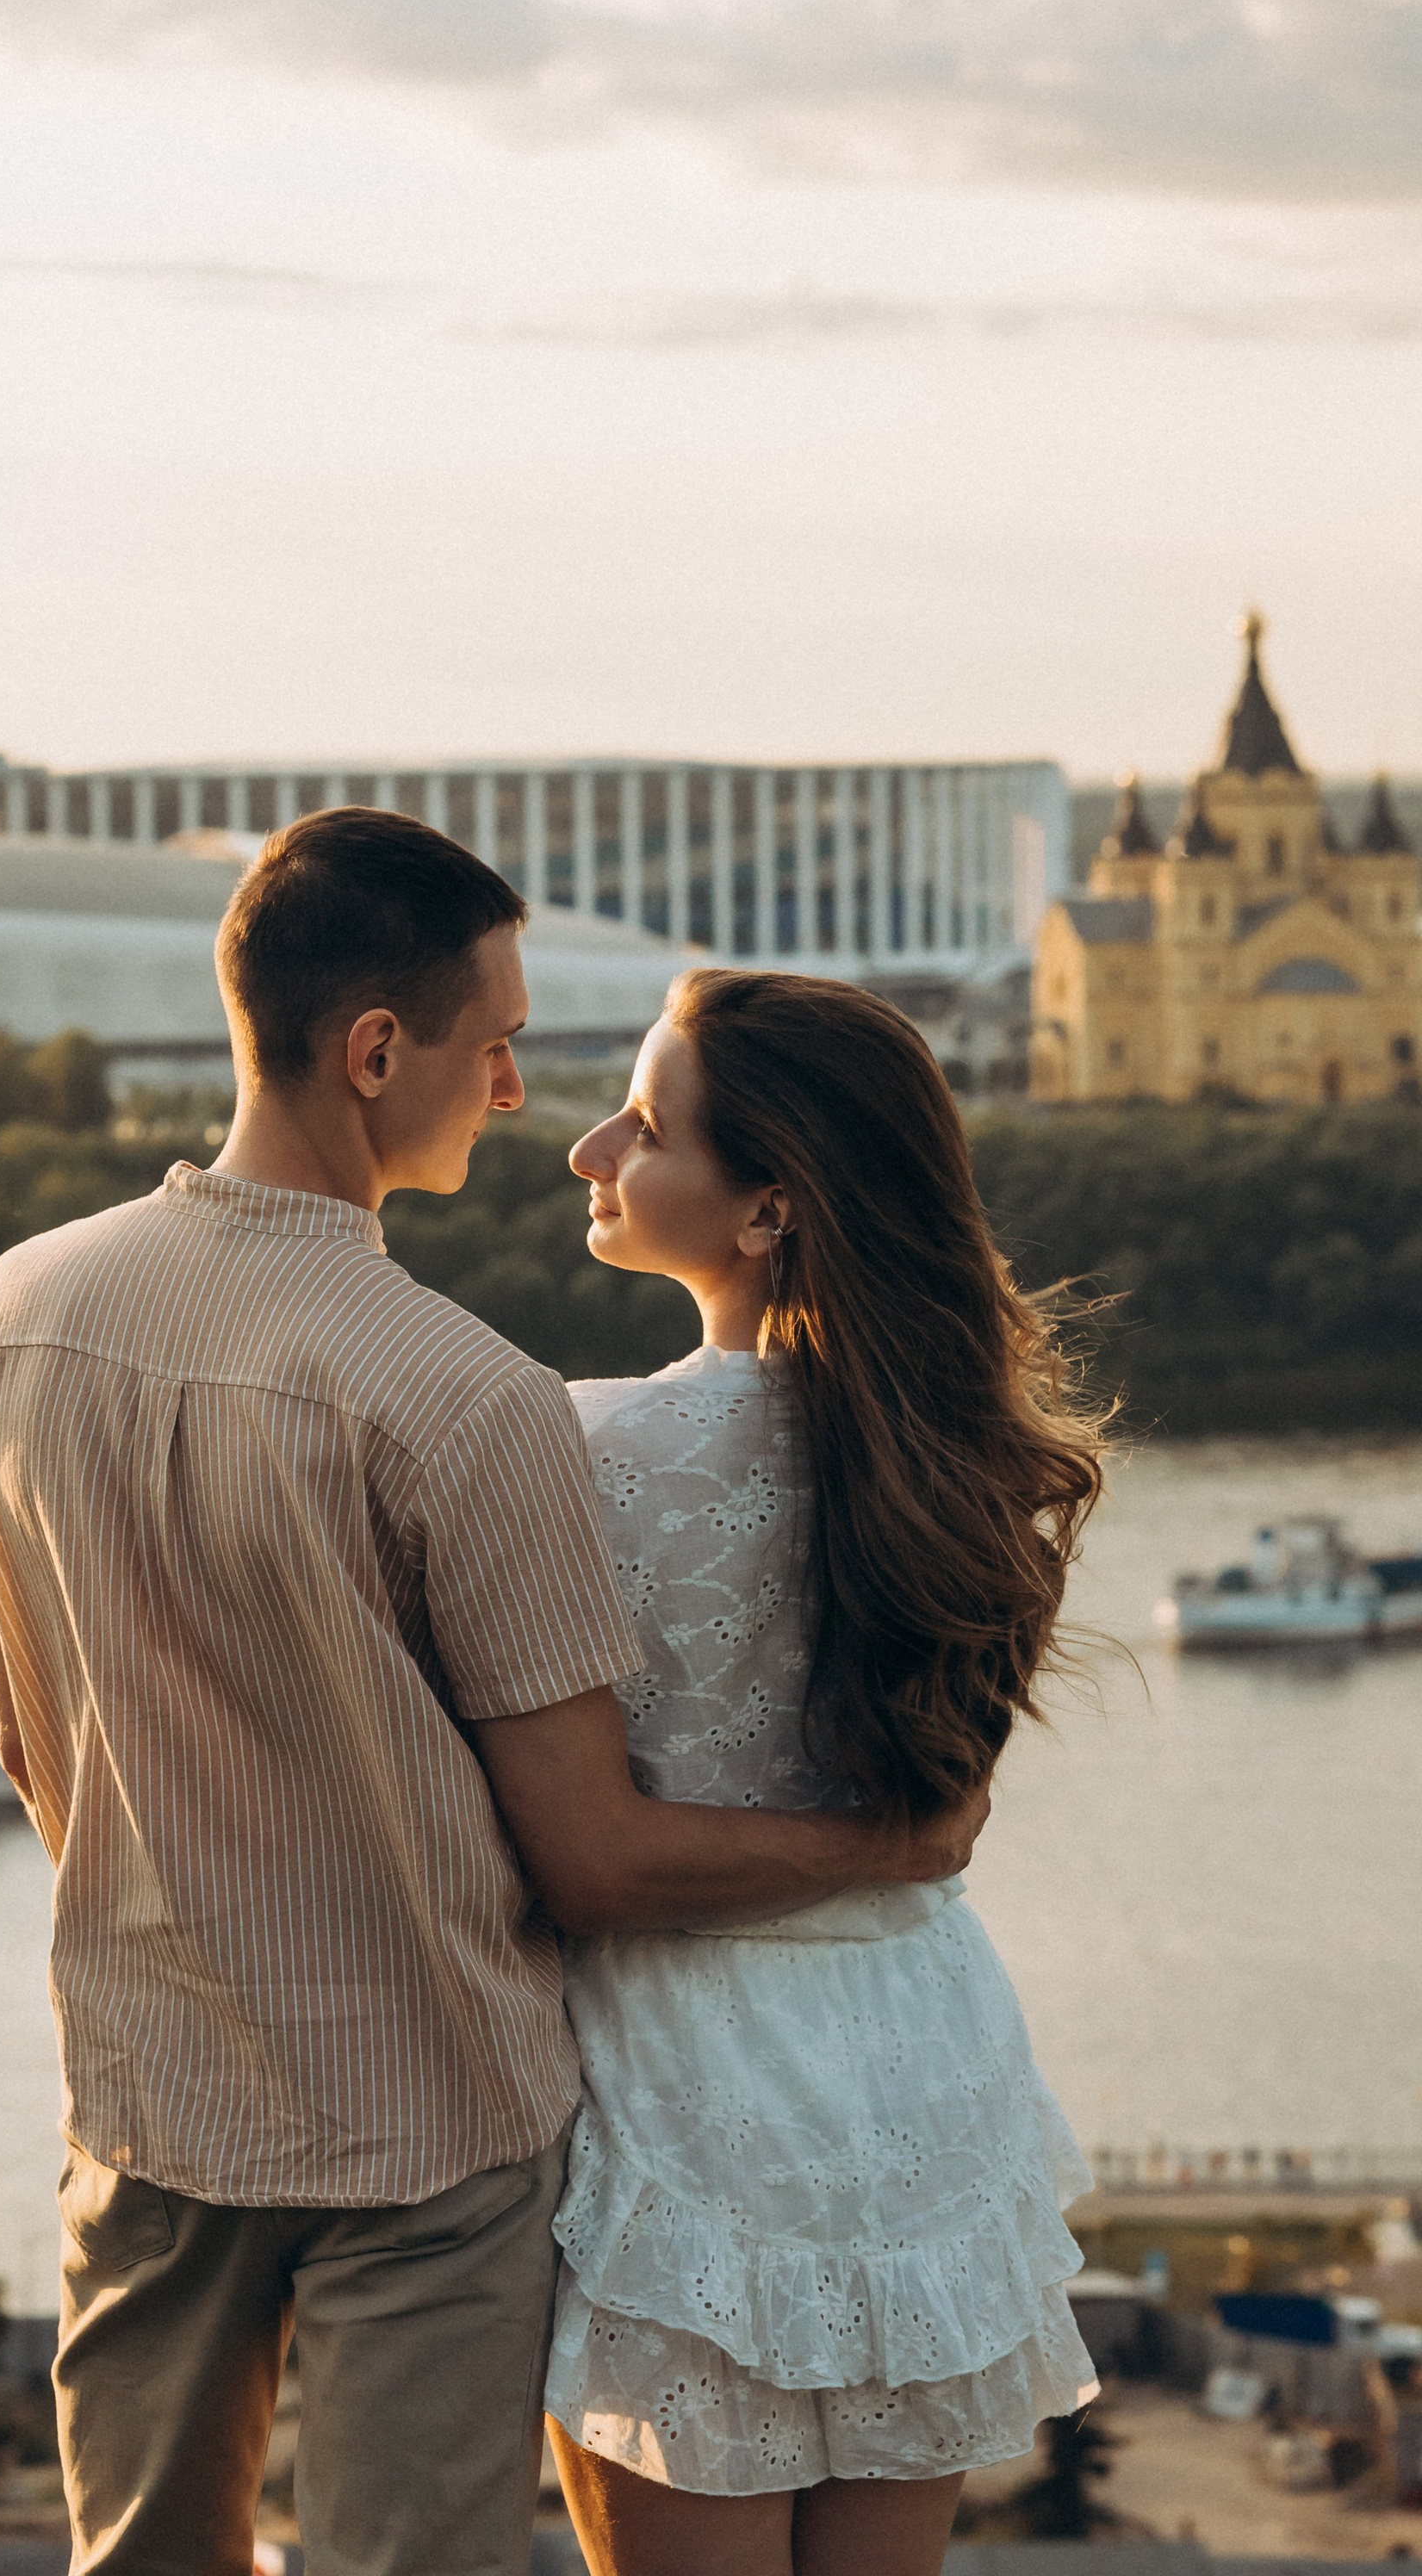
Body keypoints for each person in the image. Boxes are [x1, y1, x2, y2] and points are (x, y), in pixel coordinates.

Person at [0, 813, 988, 2576]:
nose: (515, 1092)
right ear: (374, 1056)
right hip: (427, 2127)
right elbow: (586, 1852)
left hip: (146, 2089)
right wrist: (892, 1842)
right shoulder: (468, 1399)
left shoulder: (18, 1314)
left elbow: (34, 1751)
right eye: (494, 1043)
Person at [545, 965, 1103, 2576]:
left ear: (770, 1206)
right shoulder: (974, 1461)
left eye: (646, 1126)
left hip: (682, 2072)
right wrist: (890, 1851)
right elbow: (944, 1823)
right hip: (919, 2063)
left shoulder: (582, 1453)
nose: (593, 1148)